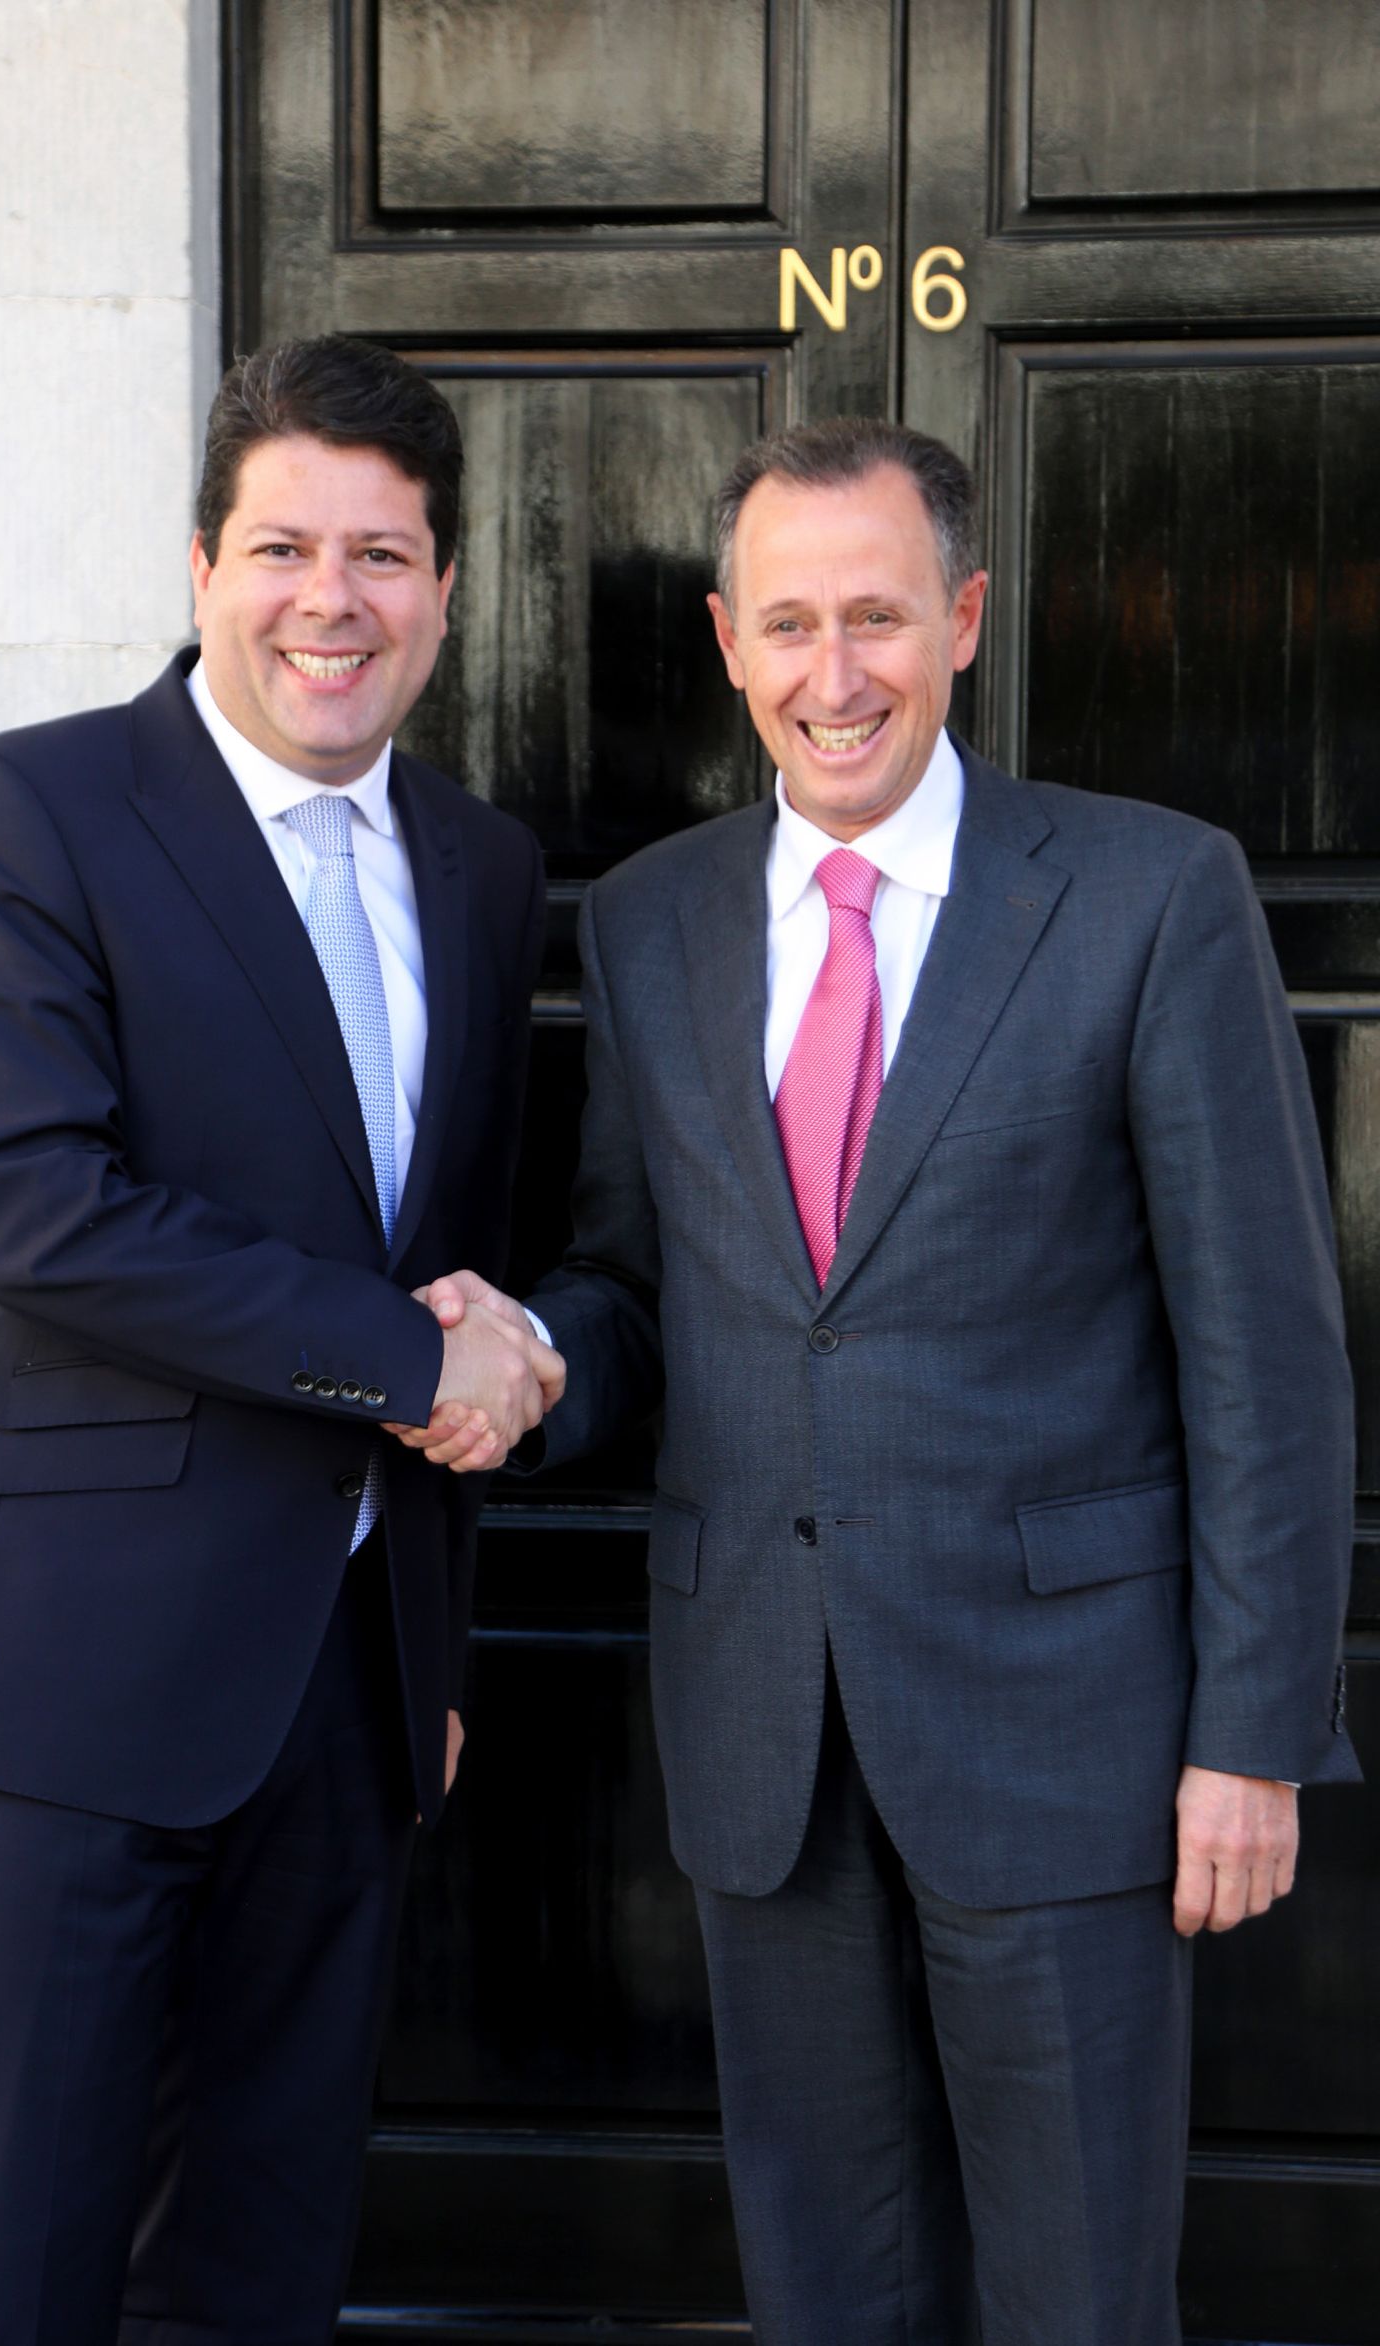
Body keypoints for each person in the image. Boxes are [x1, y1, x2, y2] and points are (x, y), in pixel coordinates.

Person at [397, 418, 1359, 2343]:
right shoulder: (658, 921)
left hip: (1068, 1746)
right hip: (764, 1726)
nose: (836, 675)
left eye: (880, 618)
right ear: (727, 641)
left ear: (966, 618)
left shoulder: (1151, 895)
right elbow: (637, 1280)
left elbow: (1265, 1346)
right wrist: (527, 1366)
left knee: (1080, 2293)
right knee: (830, 2288)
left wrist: (1253, 1732)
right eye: (790, 624)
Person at [0, 334, 562, 2346]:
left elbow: (459, 1258)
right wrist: (412, 1367)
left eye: (384, 556)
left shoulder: (486, 872)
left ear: (442, 585)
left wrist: (430, 1632)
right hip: (53, 1694)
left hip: (340, 1707)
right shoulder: (18, 814)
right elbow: (37, 1212)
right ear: (200, 563)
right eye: (283, 548)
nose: (331, 600)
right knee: (13, 2282)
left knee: (255, 2276)